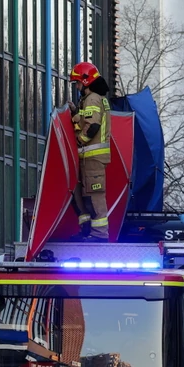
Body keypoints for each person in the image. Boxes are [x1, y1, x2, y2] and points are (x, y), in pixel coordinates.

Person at [69, 62, 111, 241]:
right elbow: (86, 121)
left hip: (93, 157)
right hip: (88, 158)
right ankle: (87, 231)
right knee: (83, 196)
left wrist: (79, 140)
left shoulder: (93, 98)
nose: (77, 86)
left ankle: (100, 235)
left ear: (85, 81)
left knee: (95, 197)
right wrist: (76, 114)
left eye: (78, 83)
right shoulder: (89, 100)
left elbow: (93, 125)